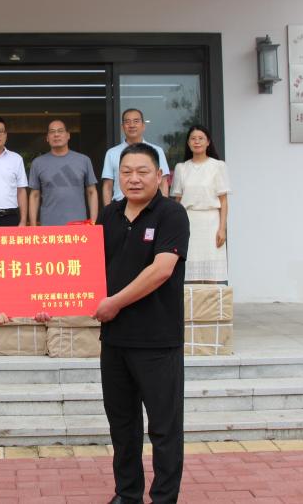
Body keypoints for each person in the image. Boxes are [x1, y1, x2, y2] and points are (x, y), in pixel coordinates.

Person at [96, 142, 189, 504]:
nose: (133, 179)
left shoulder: (171, 215)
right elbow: (89, 271)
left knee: (164, 428)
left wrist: (114, 303)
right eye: (126, 172)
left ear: (159, 175)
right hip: (115, 340)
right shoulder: (108, 215)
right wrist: (52, 303)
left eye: (142, 171)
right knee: (123, 426)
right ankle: (127, 494)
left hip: (157, 340)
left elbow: (161, 270)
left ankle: (164, 498)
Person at [171, 124, 230, 283]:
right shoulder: (181, 168)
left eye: (201, 138)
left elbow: (224, 201)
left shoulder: (218, 166)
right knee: (189, 274)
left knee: (212, 275)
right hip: (188, 221)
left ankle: (211, 301)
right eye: (193, 139)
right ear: (188, 143)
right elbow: (178, 201)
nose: (197, 142)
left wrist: (222, 229)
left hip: (211, 222)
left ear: (208, 142)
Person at [28, 119, 99, 226]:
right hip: (49, 226)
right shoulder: (38, 163)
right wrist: (33, 226)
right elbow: (34, 195)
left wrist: (93, 222)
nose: (56, 134)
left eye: (60, 131)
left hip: (78, 226)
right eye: (52, 132)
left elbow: (91, 192)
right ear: (47, 138)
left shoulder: (84, 160)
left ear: (68, 135)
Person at [101, 108, 170, 205]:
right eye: (127, 122)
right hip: (119, 206)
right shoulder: (111, 153)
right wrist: (108, 210)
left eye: (136, 121)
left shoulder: (157, 151)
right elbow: (108, 186)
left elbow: (163, 183)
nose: (132, 125)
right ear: (122, 127)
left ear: (143, 125)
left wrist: (163, 208)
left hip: (150, 206)